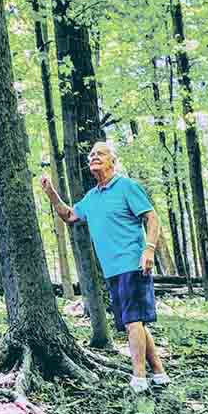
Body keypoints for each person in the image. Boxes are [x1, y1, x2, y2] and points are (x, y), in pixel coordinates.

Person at [41, 141, 170, 394]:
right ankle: (159, 373)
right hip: (112, 269)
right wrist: (51, 193)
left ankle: (139, 380)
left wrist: (149, 249)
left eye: (100, 153)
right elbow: (69, 216)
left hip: (133, 263)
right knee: (136, 323)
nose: (93, 157)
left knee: (133, 321)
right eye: (91, 154)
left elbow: (152, 217)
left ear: (113, 160)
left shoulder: (127, 187)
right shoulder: (92, 197)